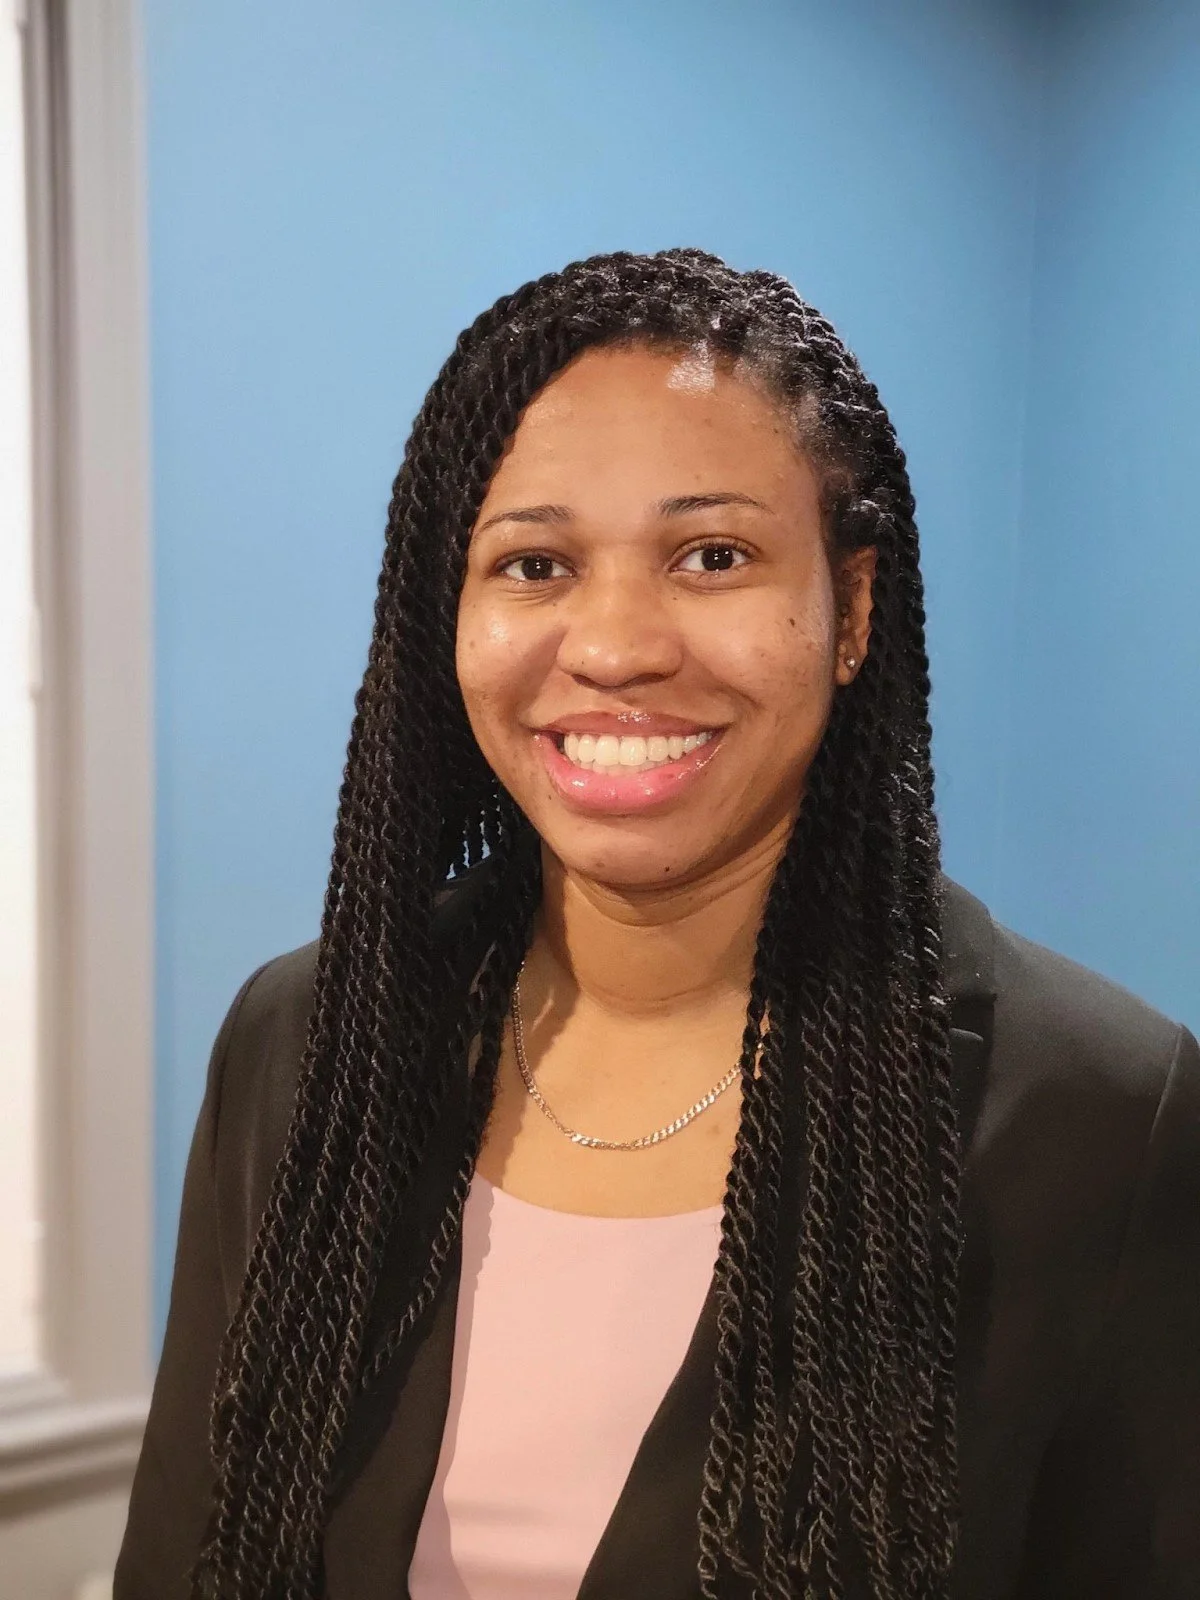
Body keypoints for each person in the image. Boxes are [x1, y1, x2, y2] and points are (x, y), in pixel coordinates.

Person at [114, 248, 1200, 1600]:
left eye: (713, 554)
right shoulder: (306, 1040)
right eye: (535, 563)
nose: (616, 644)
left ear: (851, 608)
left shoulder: (1106, 1115)